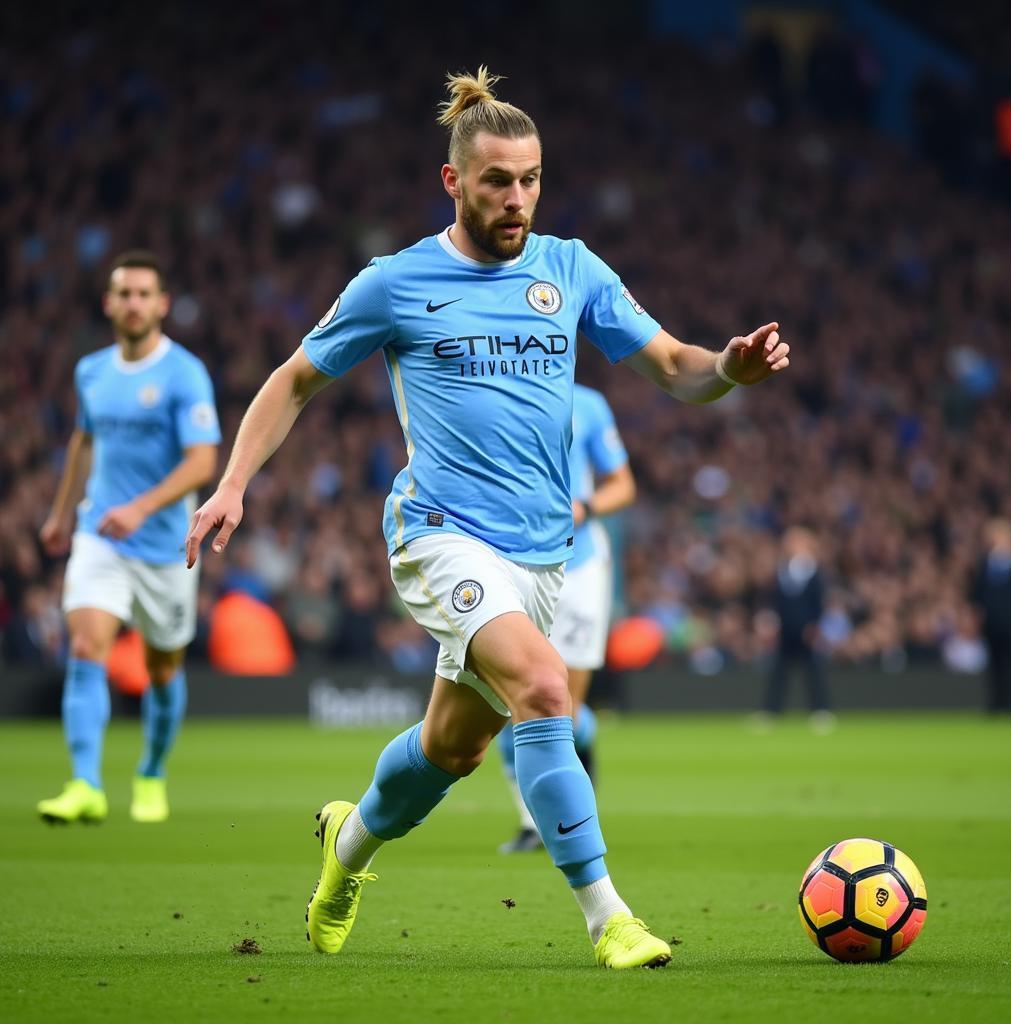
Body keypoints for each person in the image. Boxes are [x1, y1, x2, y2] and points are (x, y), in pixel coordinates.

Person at [185, 67, 790, 969]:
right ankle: (609, 917)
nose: (518, 199)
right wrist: (234, 482)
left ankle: (346, 849)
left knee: (450, 750)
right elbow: (293, 380)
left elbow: (674, 366)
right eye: (499, 181)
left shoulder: (571, 269)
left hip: (541, 557)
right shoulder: (394, 283)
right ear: (454, 181)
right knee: (547, 691)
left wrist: (730, 370)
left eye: (532, 179)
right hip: (438, 536)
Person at [38, 250, 220, 824]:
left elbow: (201, 463)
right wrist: (61, 513)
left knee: (162, 668)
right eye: (124, 293)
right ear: (109, 304)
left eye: (144, 294)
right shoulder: (91, 370)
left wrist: (141, 508)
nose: (134, 303)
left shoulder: (184, 373)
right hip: (101, 535)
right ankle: (85, 784)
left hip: (166, 545)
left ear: (162, 304)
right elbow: (83, 442)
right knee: (86, 646)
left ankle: (151, 773)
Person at [497, 382, 635, 853]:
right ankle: (531, 824)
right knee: (504, 701)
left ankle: (572, 814)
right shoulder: (495, 387)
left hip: (579, 569)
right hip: (508, 560)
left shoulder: (591, 403)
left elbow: (623, 484)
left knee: (564, 709)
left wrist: (587, 505)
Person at [756, 526, 834, 732]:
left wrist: (814, 625)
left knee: (813, 671)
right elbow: (776, 601)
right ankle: (771, 711)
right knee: (779, 672)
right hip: (785, 630)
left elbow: (818, 601)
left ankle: (821, 710)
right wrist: (773, 625)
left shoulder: (814, 570)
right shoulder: (782, 570)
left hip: (806, 630)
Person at [969, 518, 1011, 714]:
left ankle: (1010, 705)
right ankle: (995, 705)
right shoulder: (985, 565)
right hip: (991, 624)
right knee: (993, 665)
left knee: (1009, 664)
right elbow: (977, 594)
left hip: (1010, 624)